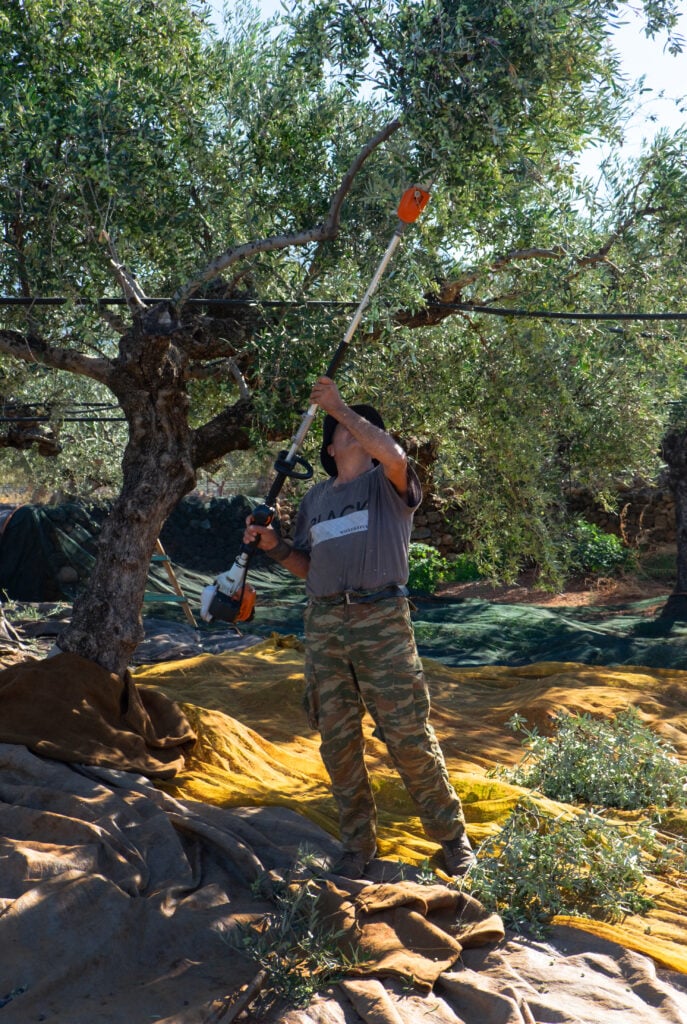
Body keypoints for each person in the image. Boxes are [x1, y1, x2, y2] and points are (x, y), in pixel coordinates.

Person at [243, 375, 475, 880]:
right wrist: (274, 547)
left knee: (408, 735)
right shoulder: (316, 501)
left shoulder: (388, 483)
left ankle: (452, 840)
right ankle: (357, 845)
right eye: (349, 426)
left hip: (381, 620)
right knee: (337, 741)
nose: (361, 429)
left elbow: (392, 454)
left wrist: (342, 407)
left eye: (367, 426)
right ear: (331, 446)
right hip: (325, 622)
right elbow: (309, 565)